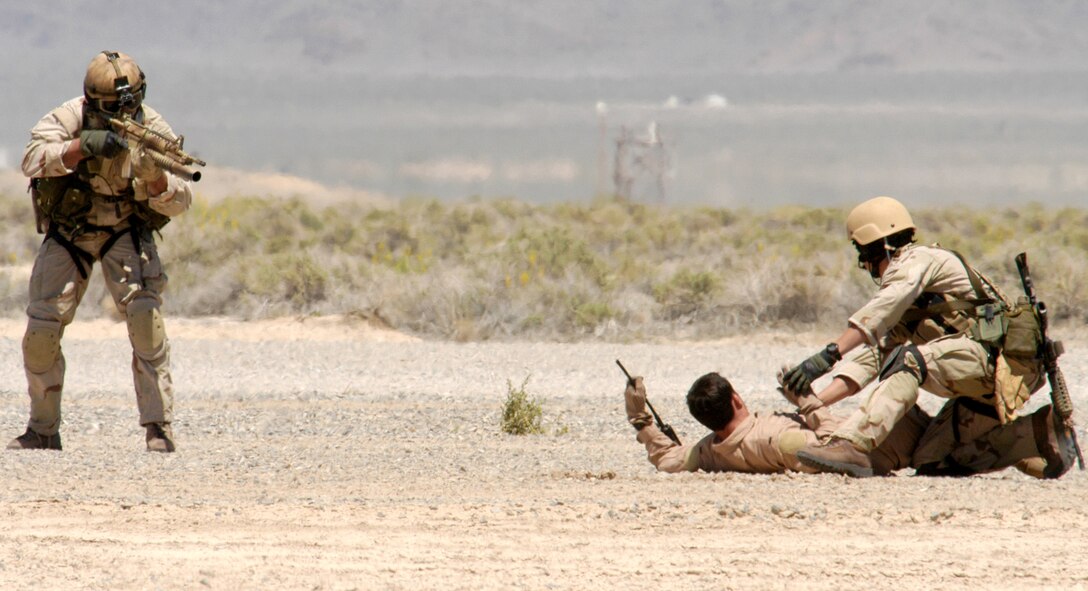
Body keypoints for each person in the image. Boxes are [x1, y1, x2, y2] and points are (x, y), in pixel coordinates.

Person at [780, 196, 1077, 478]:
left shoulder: (917, 262)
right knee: (933, 461)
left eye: (864, 255)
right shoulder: (912, 298)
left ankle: (854, 445)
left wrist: (827, 356)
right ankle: (1040, 434)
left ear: (878, 247)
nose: (865, 265)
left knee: (909, 361)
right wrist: (812, 400)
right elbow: (871, 358)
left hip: (1000, 365)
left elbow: (879, 311)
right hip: (986, 378)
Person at [8, 51, 193, 452]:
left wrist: (156, 180)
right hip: (70, 231)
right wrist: (80, 147)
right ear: (92, 101)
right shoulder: (68, 117)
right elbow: (30, 160)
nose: (125, 112)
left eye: (131, 103)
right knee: (41, 332)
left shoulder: (151, 127)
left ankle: (158, 428)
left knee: (146, 323)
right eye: (112, 108)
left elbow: (182, 199)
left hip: (123, 228)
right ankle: (42, 429)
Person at [623, 371, 926, 475]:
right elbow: (837, 450)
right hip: (903, 444)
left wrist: (641, 419)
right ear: (737, 400)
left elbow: (667, 459)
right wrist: (806, 401)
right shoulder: (777, 438)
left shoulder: (710, 451)